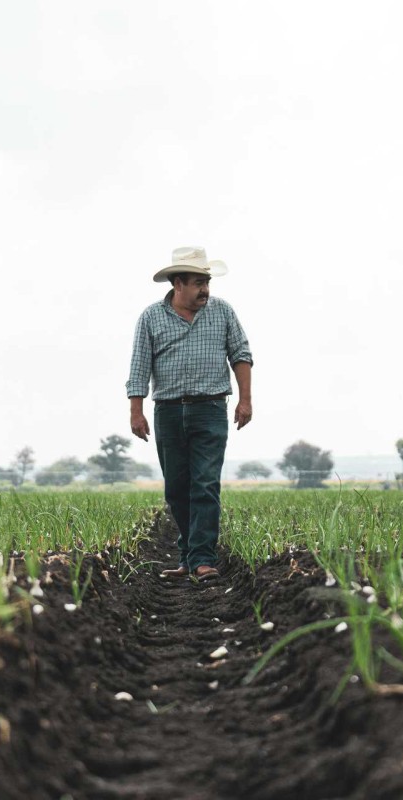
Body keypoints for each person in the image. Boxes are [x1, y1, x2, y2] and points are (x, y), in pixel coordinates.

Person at [126, 246, 253, 582]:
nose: (205, 290)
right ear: (178, 283)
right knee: (176, 489)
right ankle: (188, 555)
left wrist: (245, 400)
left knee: (206, 484)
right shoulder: (151, 317)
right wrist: (136, 411)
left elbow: (241, 354)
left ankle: (203, 559)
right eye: (198, 282)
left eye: (207, 282)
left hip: (211, 409)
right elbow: (139, 366)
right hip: (167, 412)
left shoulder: (223, 312)